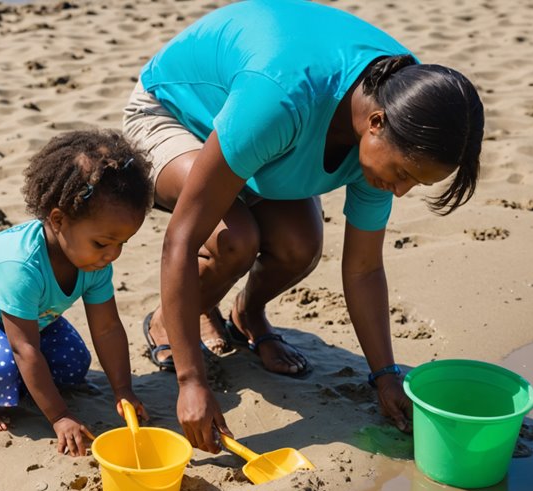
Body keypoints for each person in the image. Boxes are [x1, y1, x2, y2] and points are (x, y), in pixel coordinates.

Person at [122, 0, 484, 452]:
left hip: (258, 143)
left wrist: (385, 375)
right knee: (235, 239)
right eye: (404, 175)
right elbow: (181, 237)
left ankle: (247, 316)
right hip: (176, 114)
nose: (402, 191)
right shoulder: (281, 99)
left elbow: (364, 268)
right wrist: (191, 381)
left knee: (301, 245)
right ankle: (165, 323)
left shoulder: (404, 111)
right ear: (375, 124)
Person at [0, 130, 153, 457]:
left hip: (28, 318)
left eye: (123, 243)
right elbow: (25, 348)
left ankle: (4, 381)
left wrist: (123, 390)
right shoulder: (21, 265)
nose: (113, 255)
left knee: (74, 364)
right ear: (58, 220)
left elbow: (107, 328)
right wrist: (59, 416)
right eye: (104, 243)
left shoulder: (95, 262)